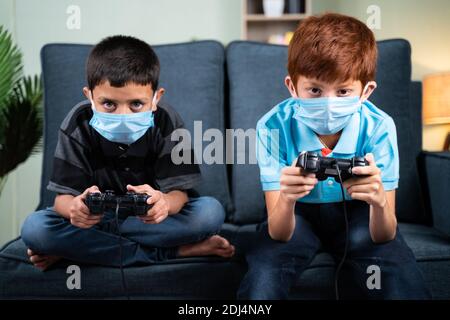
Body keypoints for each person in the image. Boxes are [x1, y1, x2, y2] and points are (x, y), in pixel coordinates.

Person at [238, 13, 430, 299]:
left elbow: (385, 235)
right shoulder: (272, 126)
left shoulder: (379, 126)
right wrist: (288, 198)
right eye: (314, 90)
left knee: (397, 272)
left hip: (359, 212)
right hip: (297, 214)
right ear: (292, 87)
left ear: (366, 91)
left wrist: (379, 203)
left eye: (343, 91)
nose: (329, 104)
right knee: (264, 274)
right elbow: (279, 233)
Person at [21, 35, 234, 270]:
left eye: (136, 104)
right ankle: (173, 252)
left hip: (149, 222)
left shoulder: (166, 121)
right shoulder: (77, 123)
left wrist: (163, 202)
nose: (123, 116)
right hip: (98, 220)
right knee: (35, 228)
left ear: (156, 98)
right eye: (109, 104)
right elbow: (62, 199)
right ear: (89, 96)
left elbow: (179, 195)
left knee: (210, 213)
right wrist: (75, 209)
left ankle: (81, 251)